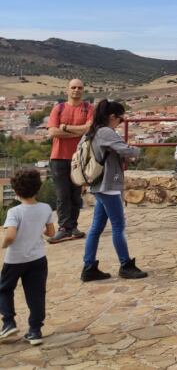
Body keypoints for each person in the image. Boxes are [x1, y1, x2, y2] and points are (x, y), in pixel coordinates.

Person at [81, 99, 148, 281]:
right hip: (108, 184)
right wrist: (137, 151)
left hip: (98, 184)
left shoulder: (93, 130)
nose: (121, 123)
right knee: (118, 226)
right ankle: (125, 264)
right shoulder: (105, 131)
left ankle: (89, 267)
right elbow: (127, 150)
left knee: (96, 227)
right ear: (112, 117)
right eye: (121, 119)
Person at [0, 169, 55, 346]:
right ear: (37, 189)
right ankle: (35, 331)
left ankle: (8, 322)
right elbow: (51, 232)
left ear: (15, 191)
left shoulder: (14, 212)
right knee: (36, 295)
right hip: (38, 259)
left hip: (14, 260)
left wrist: (3, 245)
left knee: (4, 289)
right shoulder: (45, 208)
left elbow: (10, 235)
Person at [46, 78, 94, 243]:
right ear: (67, 90)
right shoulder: (58, 109)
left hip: (79, 158)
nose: (76, 90)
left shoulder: (88, 108)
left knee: (75, 195)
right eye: (73, 87)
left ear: (83, 90)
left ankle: (72, 226)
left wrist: (65, 128)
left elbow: (90, 129)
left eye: (80, 87)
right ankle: (63, 228)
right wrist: (78, 133)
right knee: (62, 194)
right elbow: (52, 132)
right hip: (59, 156)